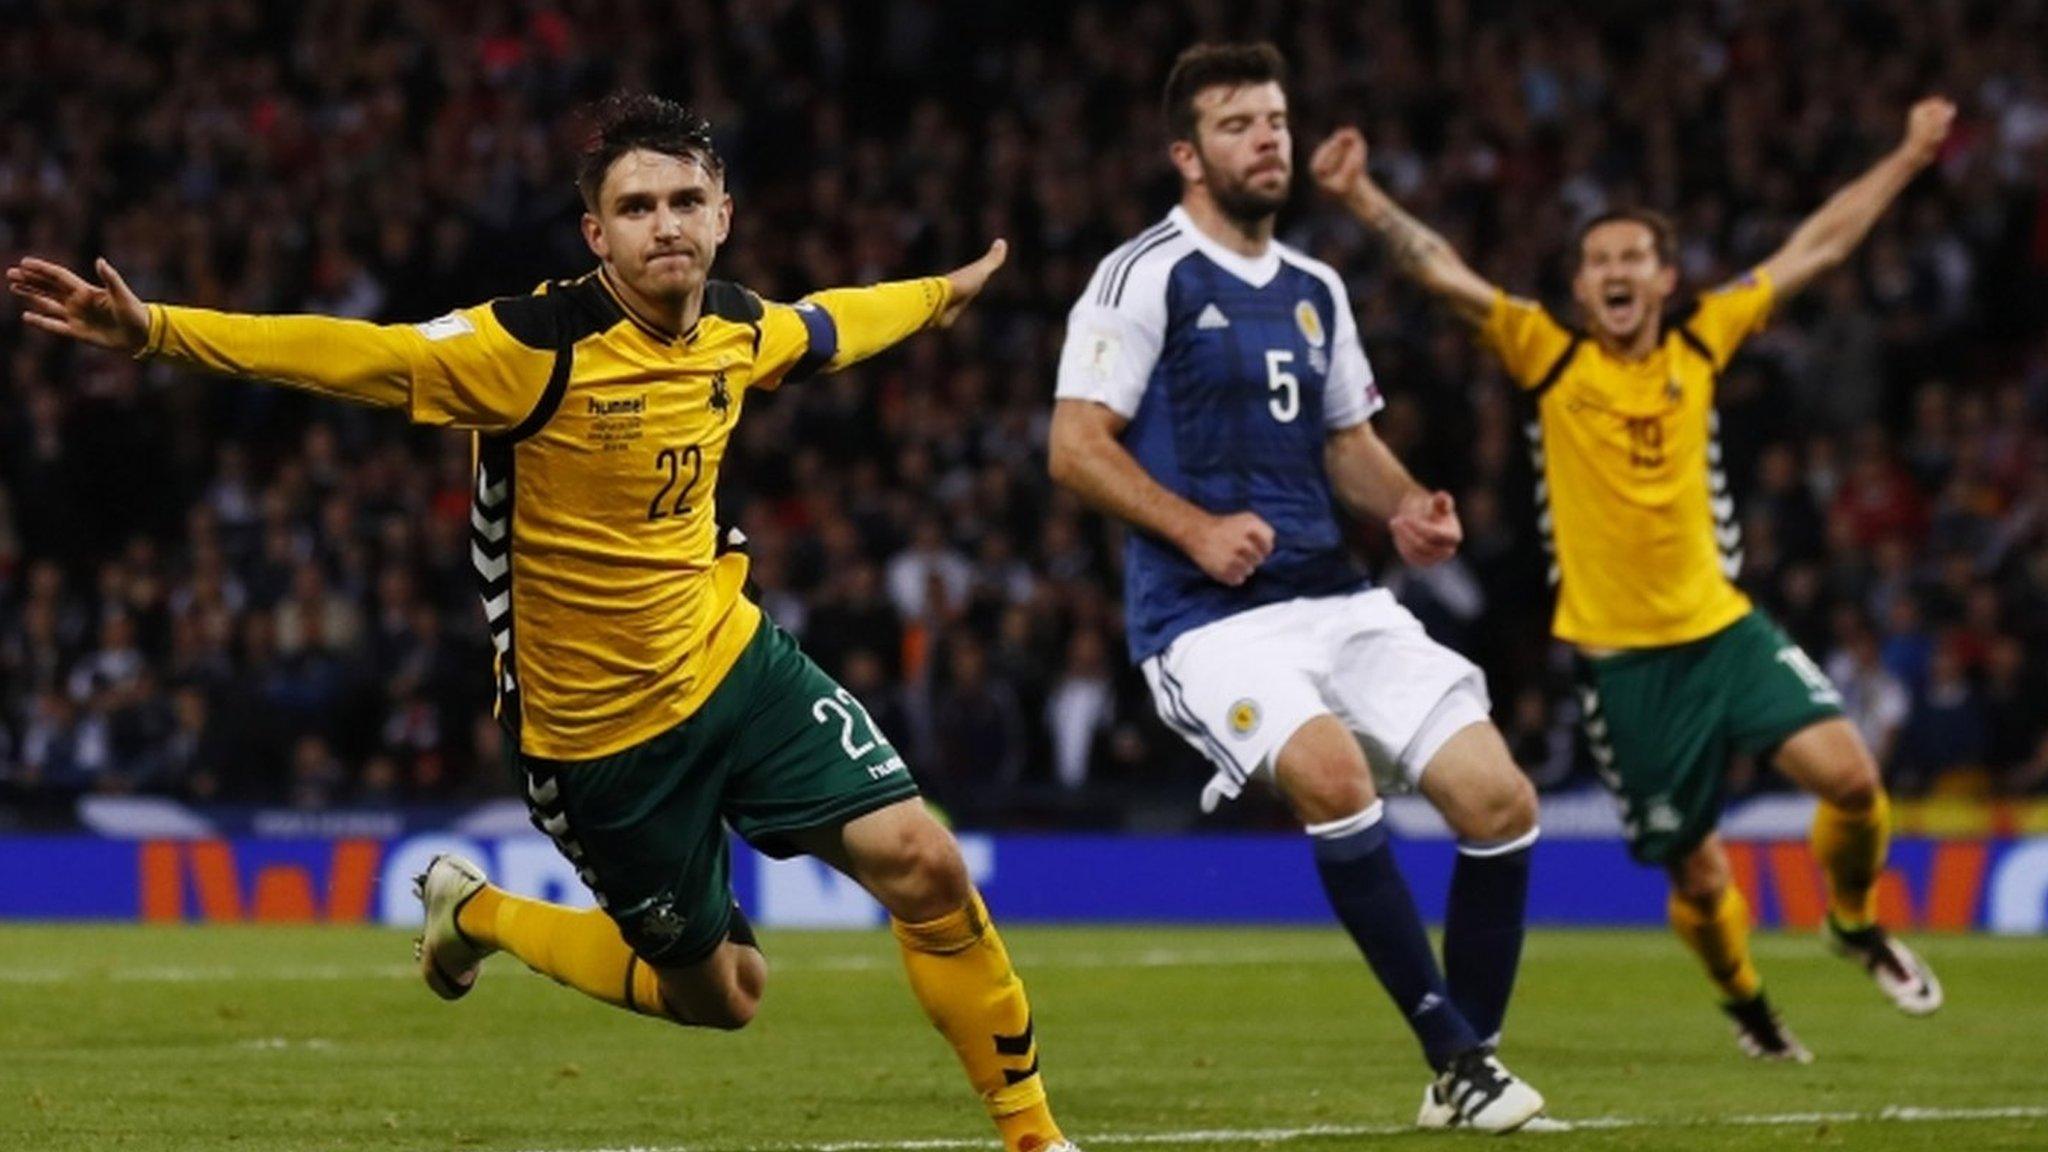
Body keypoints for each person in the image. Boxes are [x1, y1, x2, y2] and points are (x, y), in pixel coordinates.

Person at [10, 93, 1080, 1152]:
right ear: (595, 232)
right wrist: (153, 332)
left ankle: (1033, 1137)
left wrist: (942, 292)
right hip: (596, 739)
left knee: (925, 864)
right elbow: (350, 354)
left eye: (684, 200)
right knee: (725, 995)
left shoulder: (738, 328)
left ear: (723, 217)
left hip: (731, 663)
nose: (664, 222)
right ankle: (479, 913)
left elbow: (838, 321)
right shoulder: (529, 348)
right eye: (635, 205)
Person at [1309, 97, 1954, 1061]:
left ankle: (1855, 923)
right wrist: (1360, 196)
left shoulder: (1703, 340)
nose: (1615, 271)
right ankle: (1746, 1002)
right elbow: (1447, 276)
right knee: (1697, 875)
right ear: (1578, 288)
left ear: (1664, 277)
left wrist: (1906, 155)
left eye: (1632, 257)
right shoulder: (1552, 357)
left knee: (1855, 781)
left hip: (1724, 630)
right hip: (1623, 670)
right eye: (1598, 260)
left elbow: (1819, 245)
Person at [1050, 43, 1547, 1132]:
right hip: (1207, 617)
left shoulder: (1316, 287)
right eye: (1236, 125)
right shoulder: (1142, 274)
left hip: (1338, 593)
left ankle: (1467, 1066)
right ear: (1186, 153)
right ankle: (1457, 1061)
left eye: (1273, 120)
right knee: (1331, 776)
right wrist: (1192, 527)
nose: (1265, 139)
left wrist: (1408, 505)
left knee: (1500, 801)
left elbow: (1346, 444)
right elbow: (1075, 445)